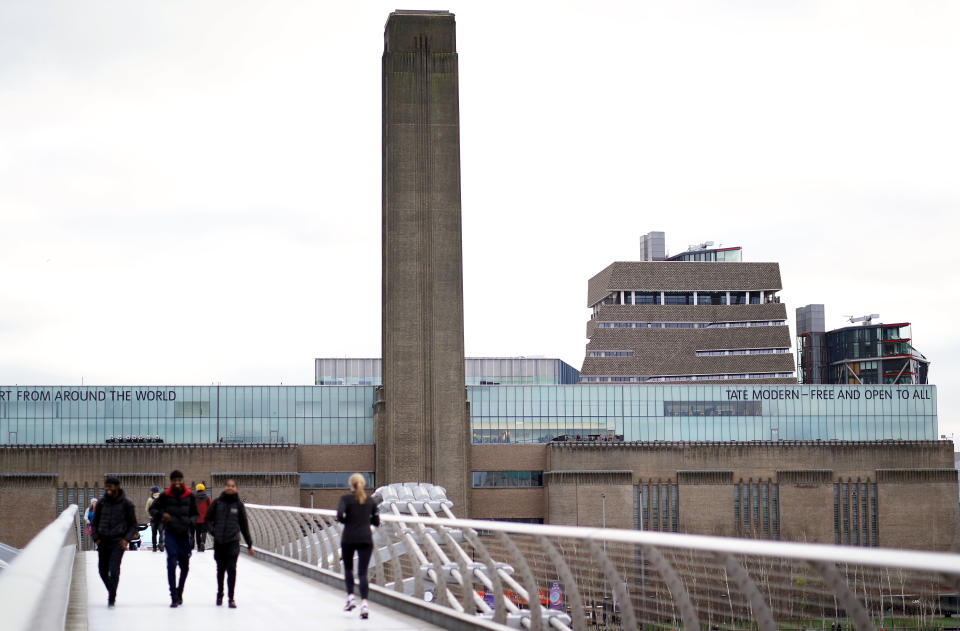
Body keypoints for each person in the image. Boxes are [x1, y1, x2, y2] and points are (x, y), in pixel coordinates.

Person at [150, 469, 198, 607]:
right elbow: (153, 509)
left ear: (182, 481)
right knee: (171, 563)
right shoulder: (165, 495)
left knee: (185, 566)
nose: (177, 483)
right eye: (174, 480)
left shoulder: (190, 496)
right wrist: (162, 515)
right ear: (171, 482)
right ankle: (173, 596)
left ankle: (180, 591)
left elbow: (195, 514)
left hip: (184, 534)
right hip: (170, 533)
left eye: (179, 480)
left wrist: (190, 522)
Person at [336, 473, 380, 620]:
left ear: (351, 485)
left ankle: (351, 598)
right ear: (363, 484)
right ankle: (365, 604)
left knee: (348, 569)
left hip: (349, 538)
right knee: (362, 573)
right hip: (366, 539)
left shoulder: (346, 499)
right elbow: (376, 522)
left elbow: (339, 515)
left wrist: (348, 521)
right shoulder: (371, 501)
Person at [205, 479, 254, 608]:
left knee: (231, 569)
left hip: (233, 541)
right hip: (219, 541)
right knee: (220, 570)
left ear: (236, 488)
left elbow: (244, 526)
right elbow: (207, 519)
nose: (230, 488)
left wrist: (249, 544)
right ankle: (220, 593)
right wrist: (213, 532)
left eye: (233, 486)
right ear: (224, 487)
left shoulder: (238, 505)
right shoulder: (216, 503)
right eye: (228, 486)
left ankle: (231, 598)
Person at [91, 476, 137, 608]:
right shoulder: (101, 503)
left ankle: (111, 597)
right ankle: (111, 590)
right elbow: (94, 523)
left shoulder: (127, 504)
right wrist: (96, 538)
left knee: (114, 569)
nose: (108, 489)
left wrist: (126, 539)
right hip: (103, 541)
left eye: (110, 486)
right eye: (106, 486)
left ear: (117, 487)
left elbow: (133, 525)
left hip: (118, 542)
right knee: (102, 570)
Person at [193, 483, 211, 552]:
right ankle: (203, 543)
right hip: (205, 518)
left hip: (196, 518)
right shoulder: (207, 497)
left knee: (197, 532)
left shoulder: (194, 497)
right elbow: (210, 507)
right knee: (204, 532)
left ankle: (198, 545)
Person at [145, 486, 164, 552]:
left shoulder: (150, 499)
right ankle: (161, 543)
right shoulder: (162, 499)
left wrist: (150, 516)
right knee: (161, 532)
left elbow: (147, 509)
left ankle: (154, 547)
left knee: (154, 533)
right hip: (161, 519)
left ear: (152, 491)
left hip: (153, 519)